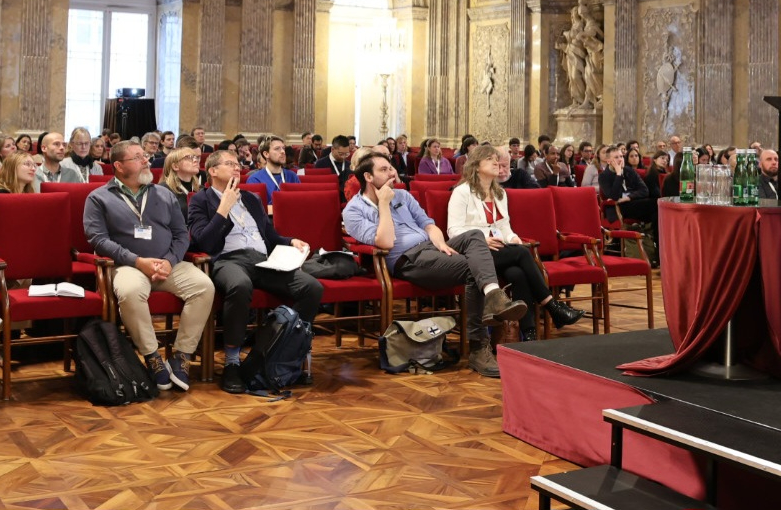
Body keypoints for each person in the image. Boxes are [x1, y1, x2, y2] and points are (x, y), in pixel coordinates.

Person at [343, 152, 527, 378]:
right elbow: (386, 242)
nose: (392, 173)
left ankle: (493, 297)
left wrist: (440, 243)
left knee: (475, 235)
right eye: (384, 170)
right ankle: (479, 347)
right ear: (368, 177)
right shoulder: (353, 210)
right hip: (407, 259)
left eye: (391, 168)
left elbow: (429, 225)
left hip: (431, 248)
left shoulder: (404, 195)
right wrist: (383, 203)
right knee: (474, 269)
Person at [83, 141, 215, 392]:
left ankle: (182, 355)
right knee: (131, 291)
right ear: (119, 166)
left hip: (167, 263)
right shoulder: (99, 197)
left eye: (145, 156)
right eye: (137, 157)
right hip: (128, 265)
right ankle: (152, 356)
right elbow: (98, 240)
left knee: (204, 286)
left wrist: (170, 260)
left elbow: (181, 234)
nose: (146, 161)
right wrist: (137, 261)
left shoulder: (164, 194)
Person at [189, 149, 322, 394]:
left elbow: (269, 235)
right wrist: (223, 208)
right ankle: (232, 363)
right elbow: (204, 242)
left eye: (237, 163)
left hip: (262, 260)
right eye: (230, 163)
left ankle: (281, 350)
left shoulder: (250, 198)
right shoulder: (201, 200)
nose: (237, 167)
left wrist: (290, 241)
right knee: (240, 285)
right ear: (213, 171)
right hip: (228, 261)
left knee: (311, 287)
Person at [448, 145, 584, 342]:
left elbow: (505, 226)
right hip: (475, 253)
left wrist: (512, 238)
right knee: (522, 253)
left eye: (497, 159)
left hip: (500, 250)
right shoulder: (462, 192)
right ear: (476, 166)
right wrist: (481, 239)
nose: (497, 163)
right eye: (490, 159)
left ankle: (529, 333)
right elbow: (453, 230)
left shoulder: (500, 193)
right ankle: (551, 305)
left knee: (517, 274)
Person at [599, 146, 659, 243]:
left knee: (658, 208)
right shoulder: (603, 176)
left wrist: (628, 197)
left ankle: (655, 242)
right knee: (657, 205)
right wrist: (618, 174)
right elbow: (614, 196)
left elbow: (644, 190)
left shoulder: (629, 170)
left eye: (621, 156)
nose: (620, 159)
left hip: (633, 202)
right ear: (609, 161)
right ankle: (656, 243)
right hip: (619, 207)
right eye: (616, 157)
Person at [246, 135, 300, 204]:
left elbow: (299, 202)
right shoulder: (255, 179)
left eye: (283, 148)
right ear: (266, 154)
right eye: (277, 149)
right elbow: (255, 207)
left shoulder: (293, 176)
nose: (283, 152)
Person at [158, 147, 203, 224]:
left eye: (196, 157)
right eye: (189, 157)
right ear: (175, 166)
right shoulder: (163, 190)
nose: (196, 160)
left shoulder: (201, 189)